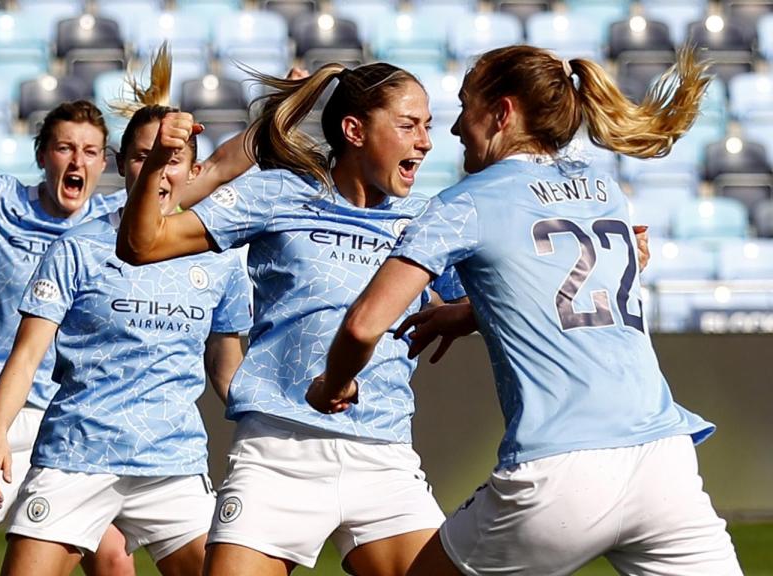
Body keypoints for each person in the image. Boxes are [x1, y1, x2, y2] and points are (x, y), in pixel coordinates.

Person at [308, 46, 742, 575]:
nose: (453, 131)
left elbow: (363, 325)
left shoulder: (463, 203)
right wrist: (470, 313)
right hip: (663, 464)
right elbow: (565, 285)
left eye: (465, 107)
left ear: (502, 113)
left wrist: (333, 384)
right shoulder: (605, 190)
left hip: (559, 468)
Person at [0, 14, 246, 576]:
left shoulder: (124, 224)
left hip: (90, 412)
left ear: (104, 164)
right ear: (44, 154)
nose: (77, 161)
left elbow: (205, 173)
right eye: (65, 148)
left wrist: (286, 110)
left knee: (113, 559)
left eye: (90, 151)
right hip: (1, 402)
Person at [116, 61, 472, 576]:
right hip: (278, 452)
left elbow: (500, 301)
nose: (425, 143)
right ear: (354, 130)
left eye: (428, 127)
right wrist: (157, 167)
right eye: (408, 125)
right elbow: (142, 244)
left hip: (383, 454)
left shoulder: (423, 222)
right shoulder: (280, 193)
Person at [0, 66, 254, 576]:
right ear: (125, 166)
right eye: (145, 157)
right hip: (76, 454)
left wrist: (271, 421)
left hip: (172, 463)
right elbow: (27, 354)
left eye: (173, 160)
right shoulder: (77, 247)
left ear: (193, 173)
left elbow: (225, 366)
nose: (160, 171)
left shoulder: (220, 259)